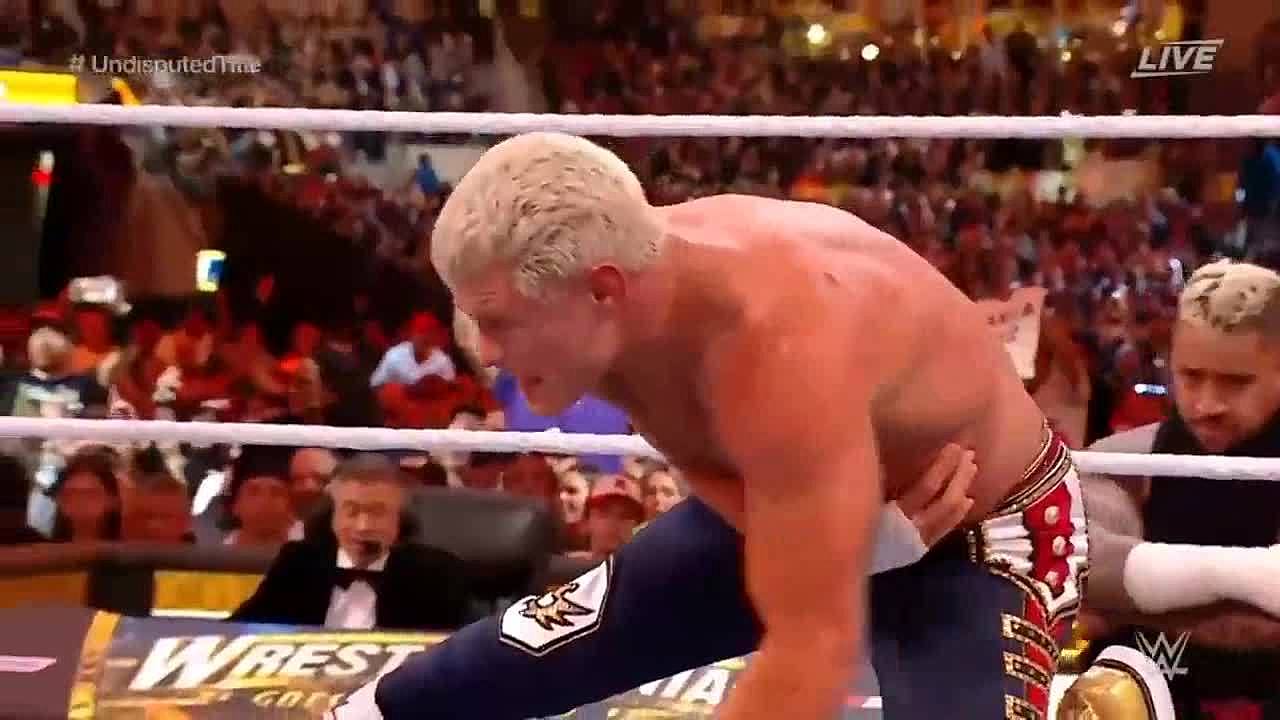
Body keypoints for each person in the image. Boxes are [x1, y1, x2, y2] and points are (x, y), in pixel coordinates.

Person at [330, 132, 1088, 720]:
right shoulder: (611, 283)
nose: (487, 356)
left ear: (603, 291)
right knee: (509, 656)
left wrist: (856, 554)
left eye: (500, 325)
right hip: (788, 503)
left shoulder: (776, 346)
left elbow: (807, 658)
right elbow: (706, 459)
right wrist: (858, 546)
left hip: (976, 528)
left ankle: (1123, 685)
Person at [1070, 260, 1280, 719]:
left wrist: (1130, 606)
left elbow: (1104, 600)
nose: (1207, 404)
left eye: (1236, 382)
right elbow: (1085, 571)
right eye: (1191, 375)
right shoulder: (1122, 463)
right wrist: (1253, 581)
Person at [231, 453, 470, 631]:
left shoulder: (436, 574)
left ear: (401, 521)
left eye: (377, 513)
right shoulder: (298, 563)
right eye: (351, 511)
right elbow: (237, 631)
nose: (363, 526)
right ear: (332, 516)